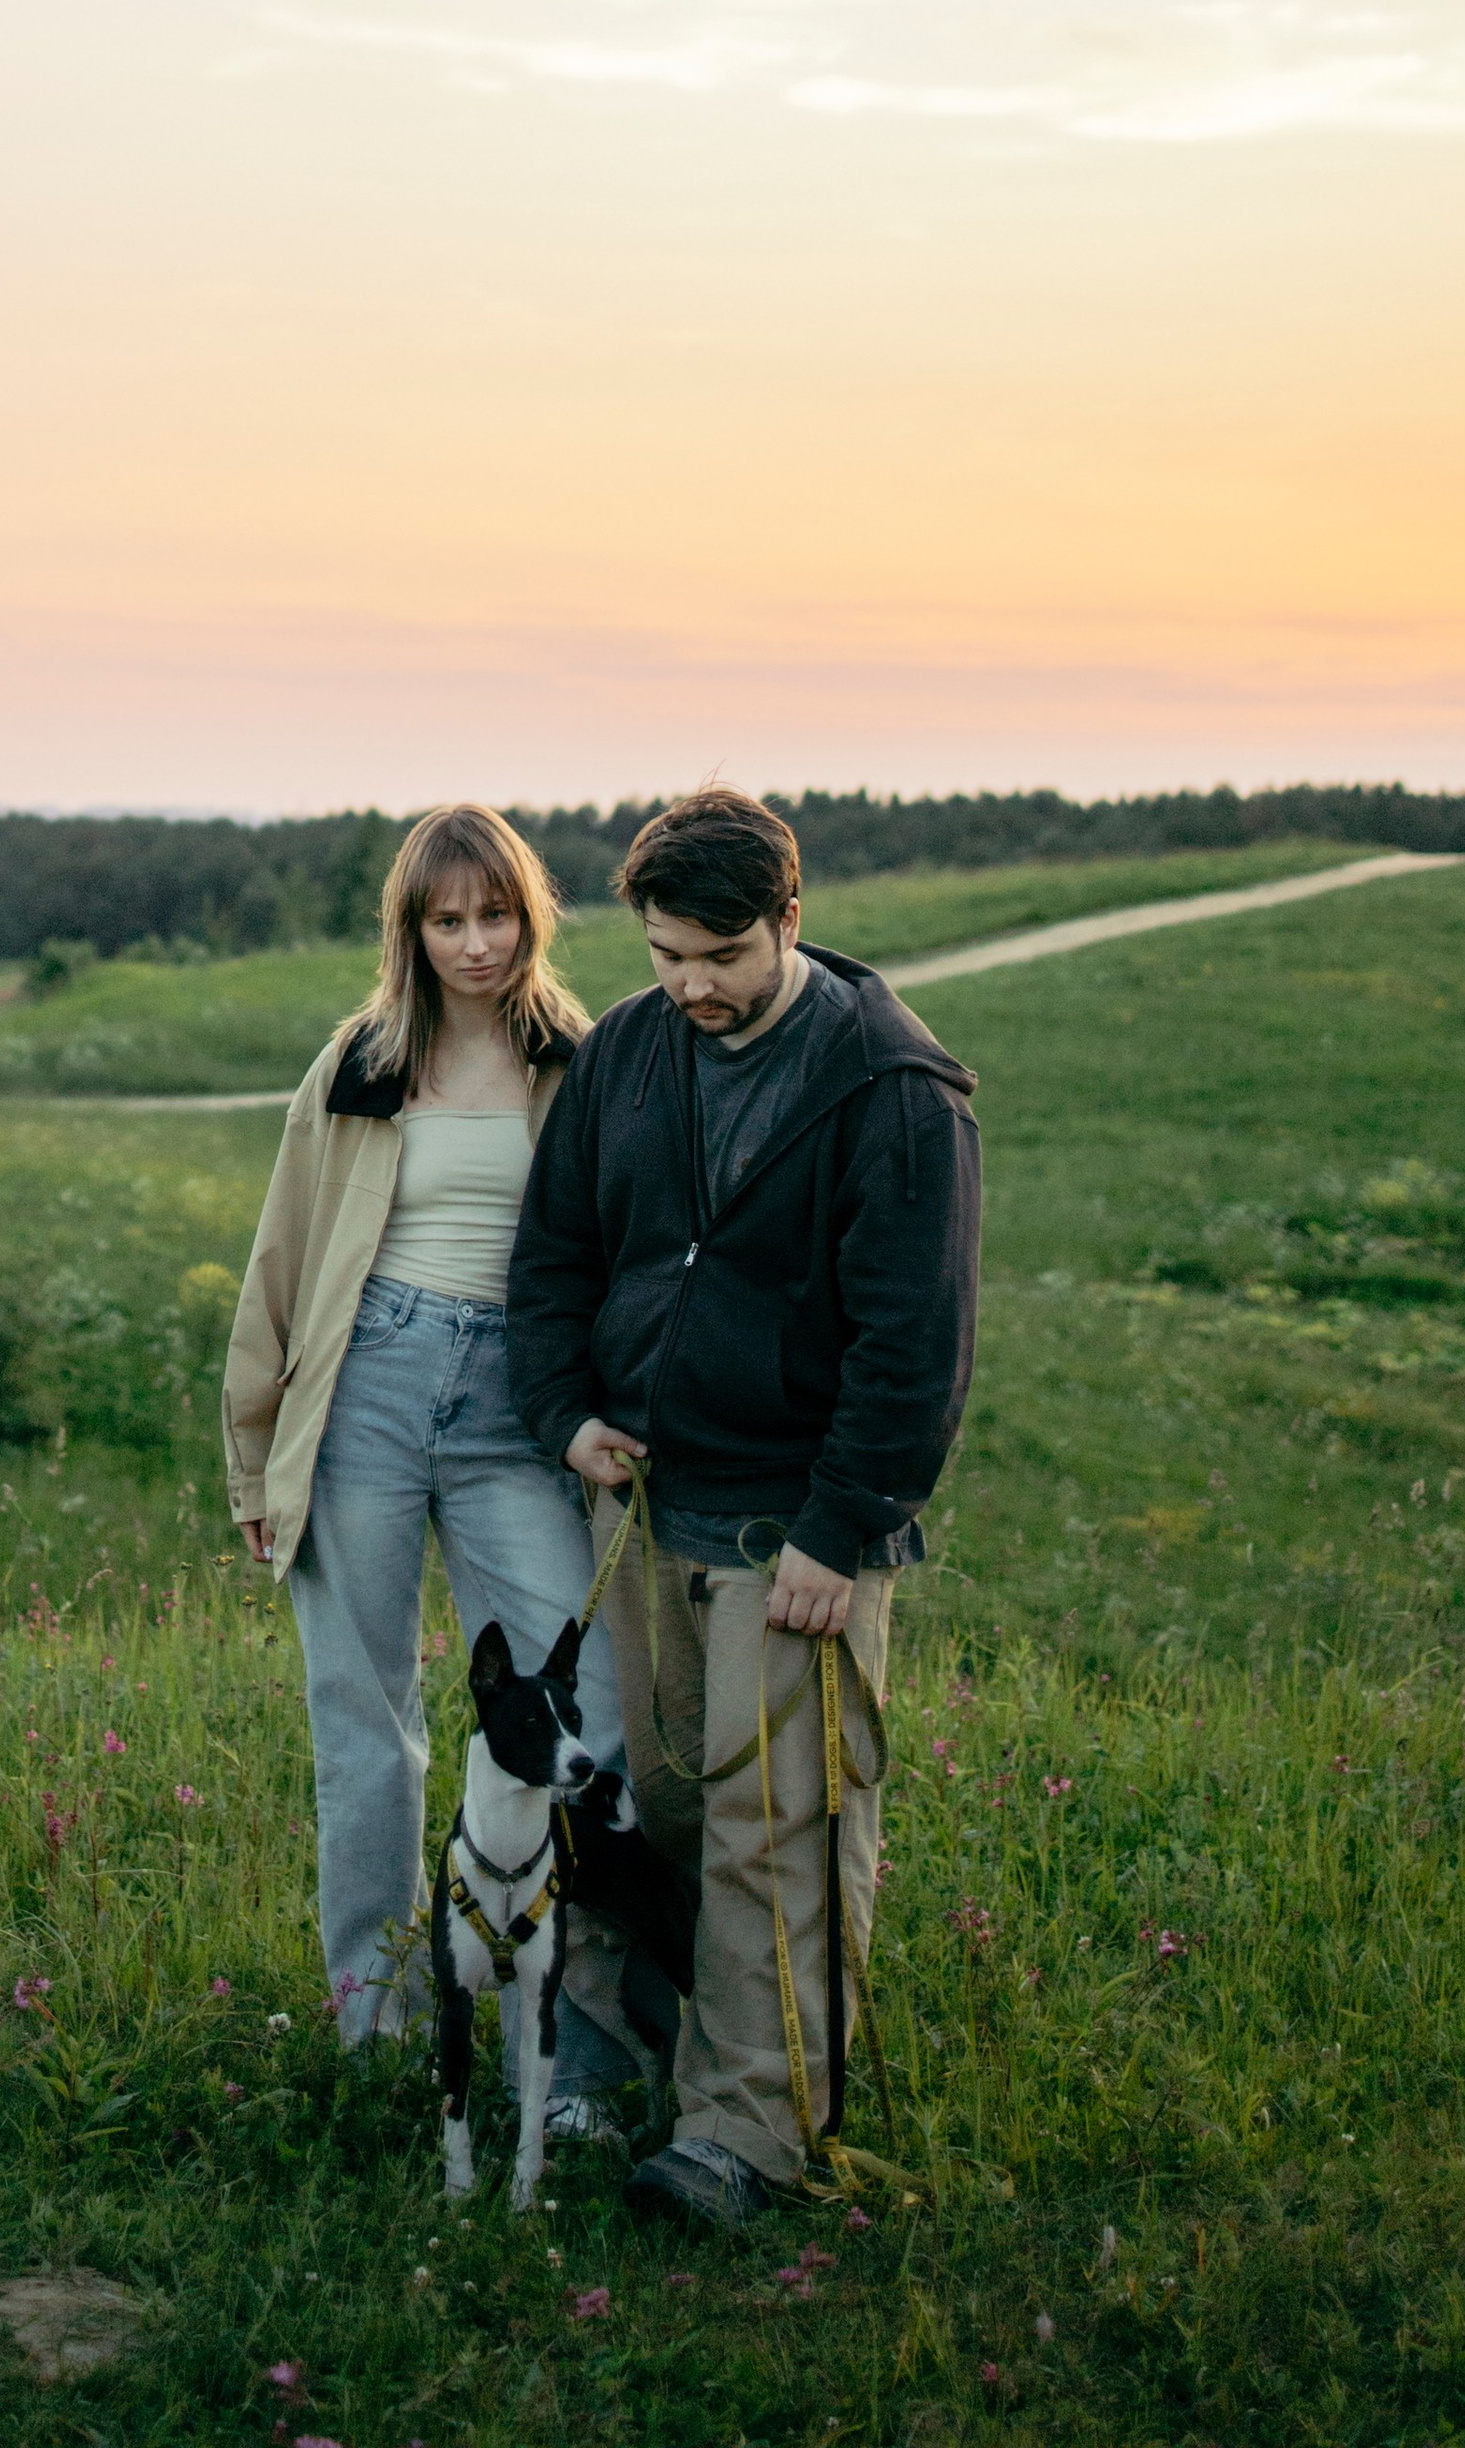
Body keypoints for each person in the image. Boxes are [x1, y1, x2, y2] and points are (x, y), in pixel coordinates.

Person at [506, 785, 981, 2226]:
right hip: (648, 1512)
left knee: (784, 1824)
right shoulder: (629, 1055)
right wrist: (567, 1414)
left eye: (722, 955)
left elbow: (918, 1338)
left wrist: (845, 1527)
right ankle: (648, 2069)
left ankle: (749, 2135)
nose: (693, 986)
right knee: (662, 1809)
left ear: (791, 918)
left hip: (797, 1532)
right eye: (666, 955)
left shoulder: (893, 1089)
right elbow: (556, 1259)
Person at [222, 803, 640, 2119]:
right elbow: (281, 1261)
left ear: (532, 915)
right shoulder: (357, 1064)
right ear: (411, 928)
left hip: (517, 1405)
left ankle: (579, 2047)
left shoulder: (581, 1062)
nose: (474, 943)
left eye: (495, 915)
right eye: (446, 920)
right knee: (369, 1729)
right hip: (371, 1393)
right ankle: (382, 2027)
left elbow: (615, 1255)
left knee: (589, 1712)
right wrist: (256, 1464)